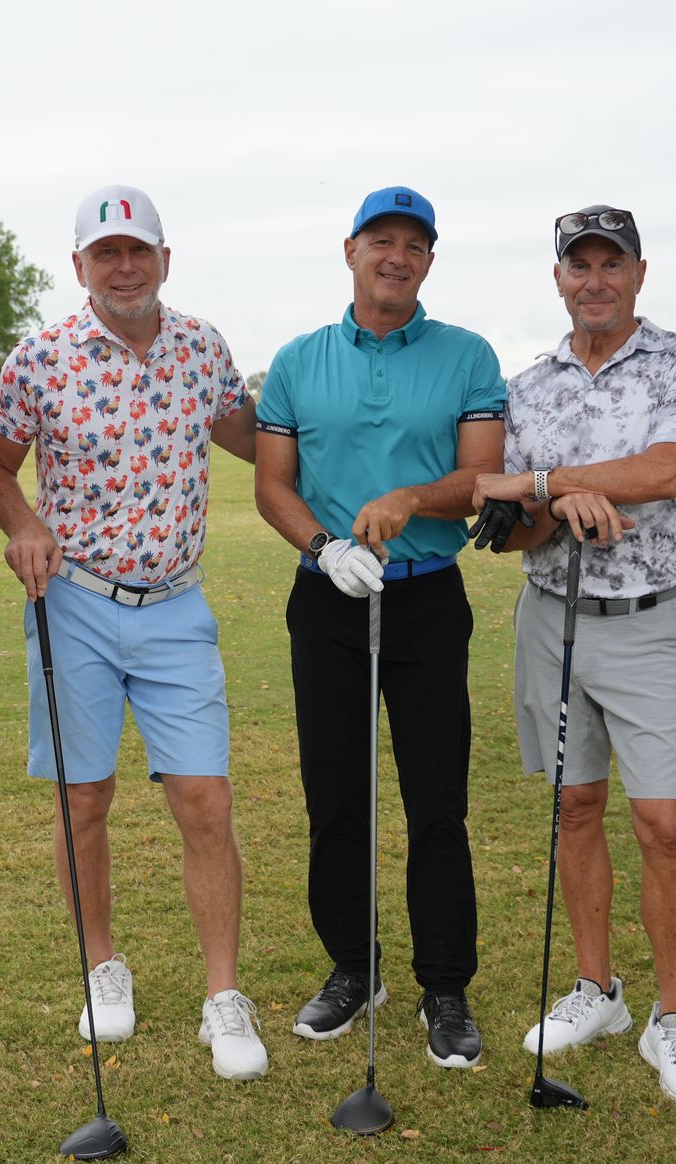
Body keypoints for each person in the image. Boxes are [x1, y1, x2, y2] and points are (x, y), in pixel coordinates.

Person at [0, 184, 269, 1082]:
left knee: (205, 801)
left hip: (177, 606)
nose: (125, 267)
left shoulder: (203, 348)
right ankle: (102, 966)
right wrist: (23, 524)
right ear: (80, 267)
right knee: (83, 799)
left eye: (138, 251)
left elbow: (251, 438)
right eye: (107, 254)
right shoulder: (41, 358)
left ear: (165, 259)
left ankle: (224, 996)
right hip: (75, 603)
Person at [471, 204, 676, 1107]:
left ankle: (675, 1019)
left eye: (610, 264)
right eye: (579, 266)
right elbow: (511, 523)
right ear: (559, 279)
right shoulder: (528, 386)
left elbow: (665, 471)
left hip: (648, 624)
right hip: (553, 618)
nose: (595, 280)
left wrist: (544, 482)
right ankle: (597, 991)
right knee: (575, 809)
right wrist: (548, 508)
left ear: (639, 274)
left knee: (661, 824)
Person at [254, 186, 506, 1070]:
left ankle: (445, 985)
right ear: (351, 250)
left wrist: (408, 498)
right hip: (328, 597)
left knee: (437, 799)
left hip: (428, 596)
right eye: (381, 240)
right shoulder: (297, 359)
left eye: (414, 244)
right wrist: (323, 547)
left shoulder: (468, 355)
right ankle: (353, 966)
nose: (396, 256)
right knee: (337, 796)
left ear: (429, 260)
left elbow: (481, 478)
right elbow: (273, 485)